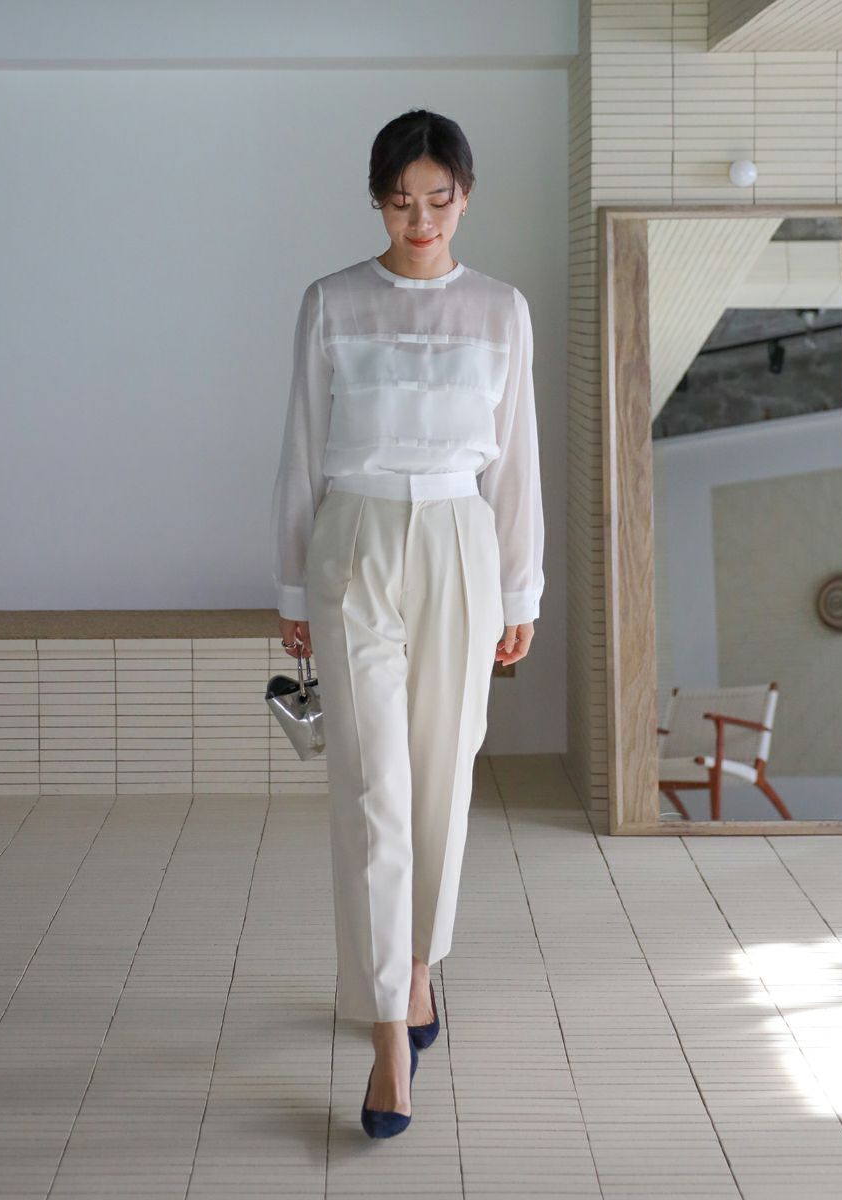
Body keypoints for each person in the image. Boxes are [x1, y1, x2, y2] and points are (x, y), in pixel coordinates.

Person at [269, 108, 545, 1138]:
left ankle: (419, 967)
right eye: (399, 202)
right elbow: (302, 446)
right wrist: (292, 590)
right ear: (376, 201)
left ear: (465, 197)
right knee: (373, 790)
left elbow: (516, 458)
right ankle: (391, 1035)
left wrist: (521, 590)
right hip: (354, 541)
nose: (420, 220)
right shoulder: (332, 302)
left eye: (438, 199)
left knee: (442, 782)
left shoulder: (501, 310)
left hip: (461, 544)